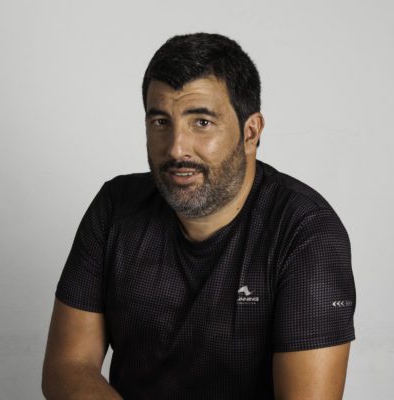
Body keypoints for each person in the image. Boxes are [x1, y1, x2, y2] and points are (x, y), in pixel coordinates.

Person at [42, 32, 356, 399]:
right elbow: (68, 366)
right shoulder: (115, 208)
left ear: (250, 132)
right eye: (161, 122)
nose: (177, 149)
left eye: (202, 122)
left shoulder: (307, 233)